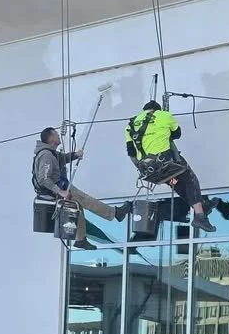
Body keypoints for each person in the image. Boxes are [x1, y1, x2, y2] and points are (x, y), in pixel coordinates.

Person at [33, 127, 132, 250]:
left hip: (59, 187)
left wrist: (75, 155)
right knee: (84, 199)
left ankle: (81, 239)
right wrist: (61, 192)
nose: (59, 136)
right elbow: (43, 179)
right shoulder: (46, 155)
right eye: (57, 134)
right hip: (56, 190)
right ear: (51, 138)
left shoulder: (51, 153)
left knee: (78, 207)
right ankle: (114, 213)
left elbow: (62, 158)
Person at [125, 102, 216, 233]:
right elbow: (177, 134)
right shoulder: (164, 115)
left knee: (176, 183)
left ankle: (200, 206)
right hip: (166, 161)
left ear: (144, 111)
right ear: (157, 109)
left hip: (150, 168)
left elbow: (131, 153)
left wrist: (141, 169)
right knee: (191, 180)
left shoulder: (130, 125)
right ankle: (200, 216)